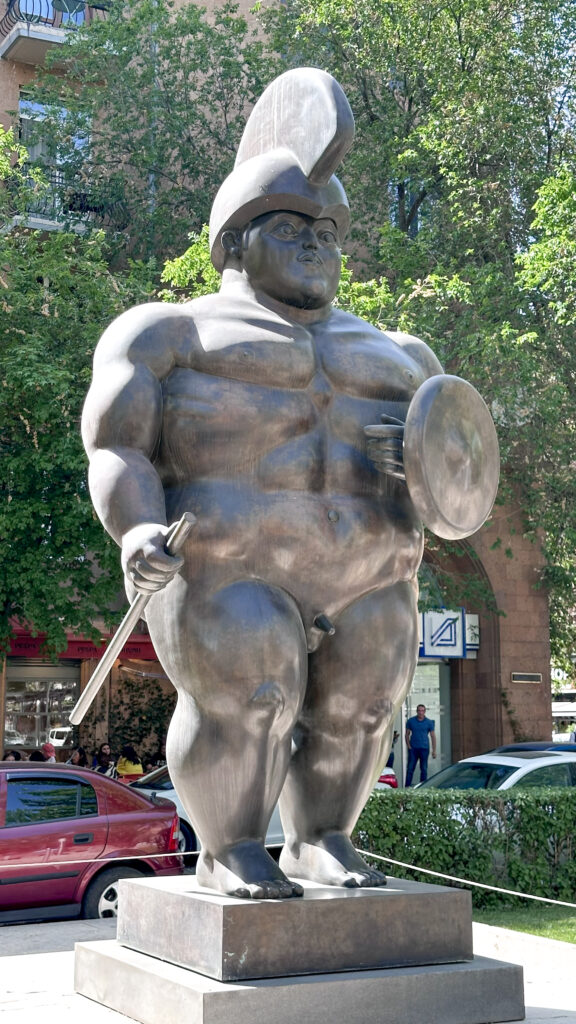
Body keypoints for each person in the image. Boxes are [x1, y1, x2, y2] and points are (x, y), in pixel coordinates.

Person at [81, 69, 497, 900]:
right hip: (230, 566)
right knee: (254, 694)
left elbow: (457, 480)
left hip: (372, 571)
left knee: (369, 706)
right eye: (291, 224)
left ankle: (322, 842)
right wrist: (134, 530)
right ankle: (228, 848)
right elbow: (117, 446)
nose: (316, 243)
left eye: (331, 230)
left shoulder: (403, 356)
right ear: (234, 238)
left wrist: (418, 472)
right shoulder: (171, 332)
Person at [405, 705, 436, 786]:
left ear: (424, 711)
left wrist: (434, 750)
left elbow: (433, 736)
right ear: (417, 711)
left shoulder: (429, 722)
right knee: (410, 769)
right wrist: (408, 746)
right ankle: (407, 787)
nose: (420, 712)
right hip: (413, 748)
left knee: (424, 769)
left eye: (422, 711)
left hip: (424, 748)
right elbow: (407, 734)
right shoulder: (411, 721)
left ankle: (422, 787)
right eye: (419, 710)